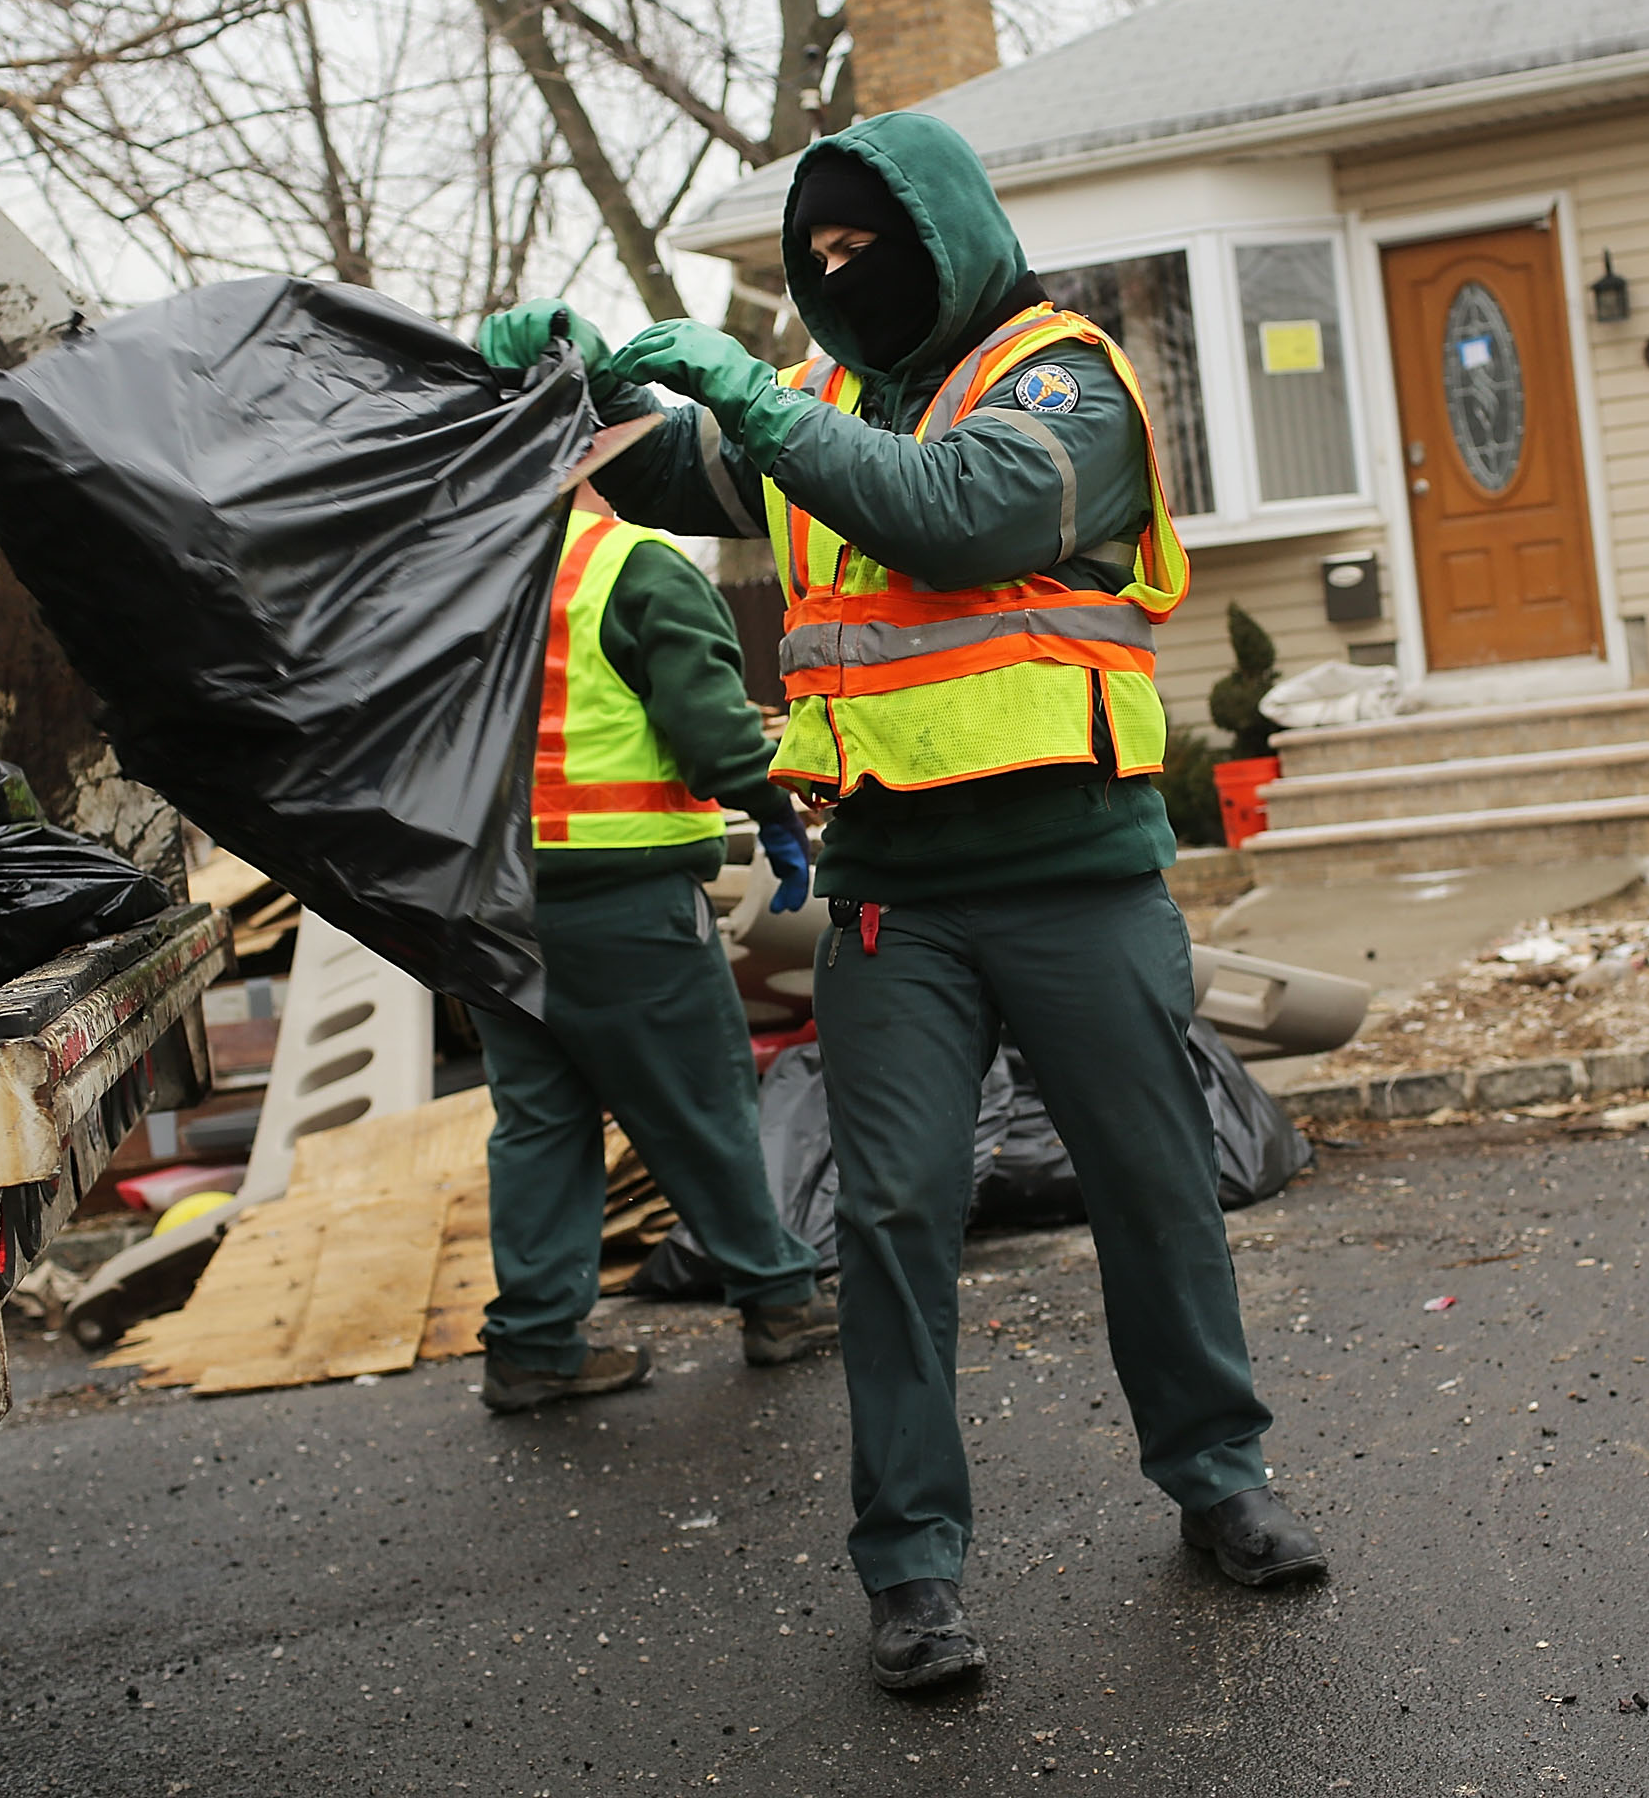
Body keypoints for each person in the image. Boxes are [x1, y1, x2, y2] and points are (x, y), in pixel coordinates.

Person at [508, 111, 1322, 1695]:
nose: (834, 276)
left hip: (1078, 880)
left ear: (947, 232)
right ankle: (912, 1569)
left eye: (862, 245)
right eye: (812, 259)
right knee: (887, 1223)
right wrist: (576, 384)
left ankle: (1218, 1476)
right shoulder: (814, 404)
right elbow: (671, 465)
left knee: (1154, 1185)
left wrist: (740, 391)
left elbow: (966, 511)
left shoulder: (1061, 377)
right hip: (894, 894)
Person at [442, 331, 837, 1410]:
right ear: (596, 455)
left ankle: (534, 1343)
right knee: (699, 1101)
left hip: (495, 902)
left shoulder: (460, 577)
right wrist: (775, 811)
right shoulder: (628, 565)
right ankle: (780, 1298)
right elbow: (712, 729)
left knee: (539, 1121)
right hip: (621, 897)